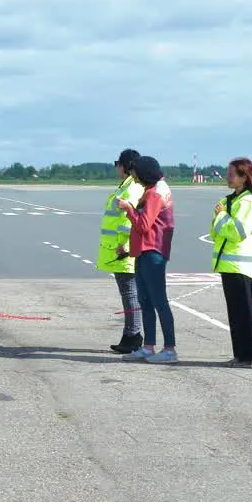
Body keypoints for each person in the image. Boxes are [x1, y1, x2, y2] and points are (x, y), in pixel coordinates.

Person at [213, 157, 252, 367]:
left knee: (244, 313)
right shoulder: (230, 201)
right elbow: (215, 232)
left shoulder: (249, 203)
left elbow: (237, 232)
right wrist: (221, 219)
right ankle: (241, 353)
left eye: (232, 174)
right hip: (228, 264)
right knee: (235, 314)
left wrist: (221, 218)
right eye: (228, 173)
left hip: (240, 264)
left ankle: (247, 356)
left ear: (243, 177)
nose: (228, 178)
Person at [118, 155, 177, 364]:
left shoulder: (154, 194)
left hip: (152, 251)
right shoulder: (153, 190)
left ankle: (169, 348)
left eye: (135, 174)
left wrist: (128, 209)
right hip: (144, 251)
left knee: (158, 301)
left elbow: (143, 225)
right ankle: (149, 346)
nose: (134, 178)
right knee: (145, 301)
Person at [98, 149, 146, 354]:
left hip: (123, 250)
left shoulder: (132, 188)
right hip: (117, 248)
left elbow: (129, 218)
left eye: (118, 162)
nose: (116, 166)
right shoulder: (126, 186)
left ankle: (133, 335)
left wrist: (125, 245)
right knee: (128, 293)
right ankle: (130, 334)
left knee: (130, 293)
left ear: (126, 165)